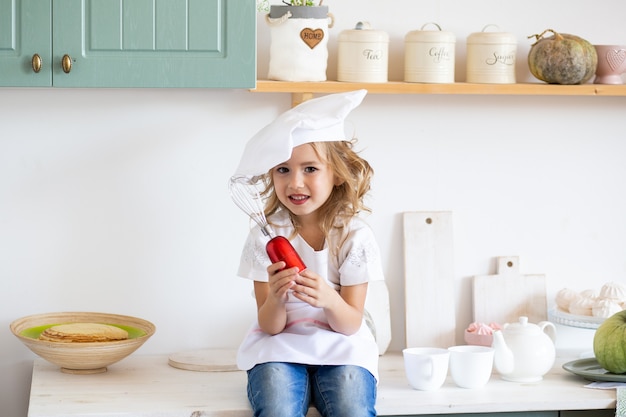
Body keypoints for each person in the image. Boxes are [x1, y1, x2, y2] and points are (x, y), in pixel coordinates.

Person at [231, 89, 384, 417]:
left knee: (351, 406)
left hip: (343, 346)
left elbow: (350, 324)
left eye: (310, 169)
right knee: (276, 406)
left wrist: (329, 298)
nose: (295, 182)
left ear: (337, 174)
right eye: (283, 170)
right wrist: (276, 297)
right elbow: (270, 326)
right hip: (280, 347)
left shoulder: (354, 237)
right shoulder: (265, 237)